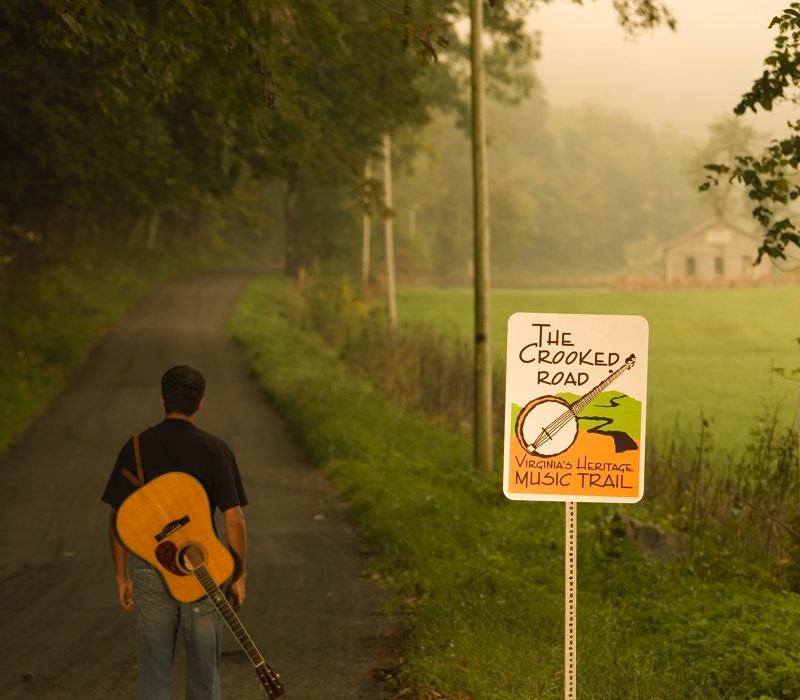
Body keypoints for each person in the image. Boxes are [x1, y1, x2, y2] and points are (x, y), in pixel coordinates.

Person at [101, 365, 248, 700]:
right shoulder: (216, 449)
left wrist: (121, 575)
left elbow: (118, 517)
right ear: (202, 402)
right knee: (203, 675)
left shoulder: (136, 447)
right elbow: (235, 518)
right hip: (203, 573)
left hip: (151, 571)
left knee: (154, 675)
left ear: (163, 399)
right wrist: (238, 574)